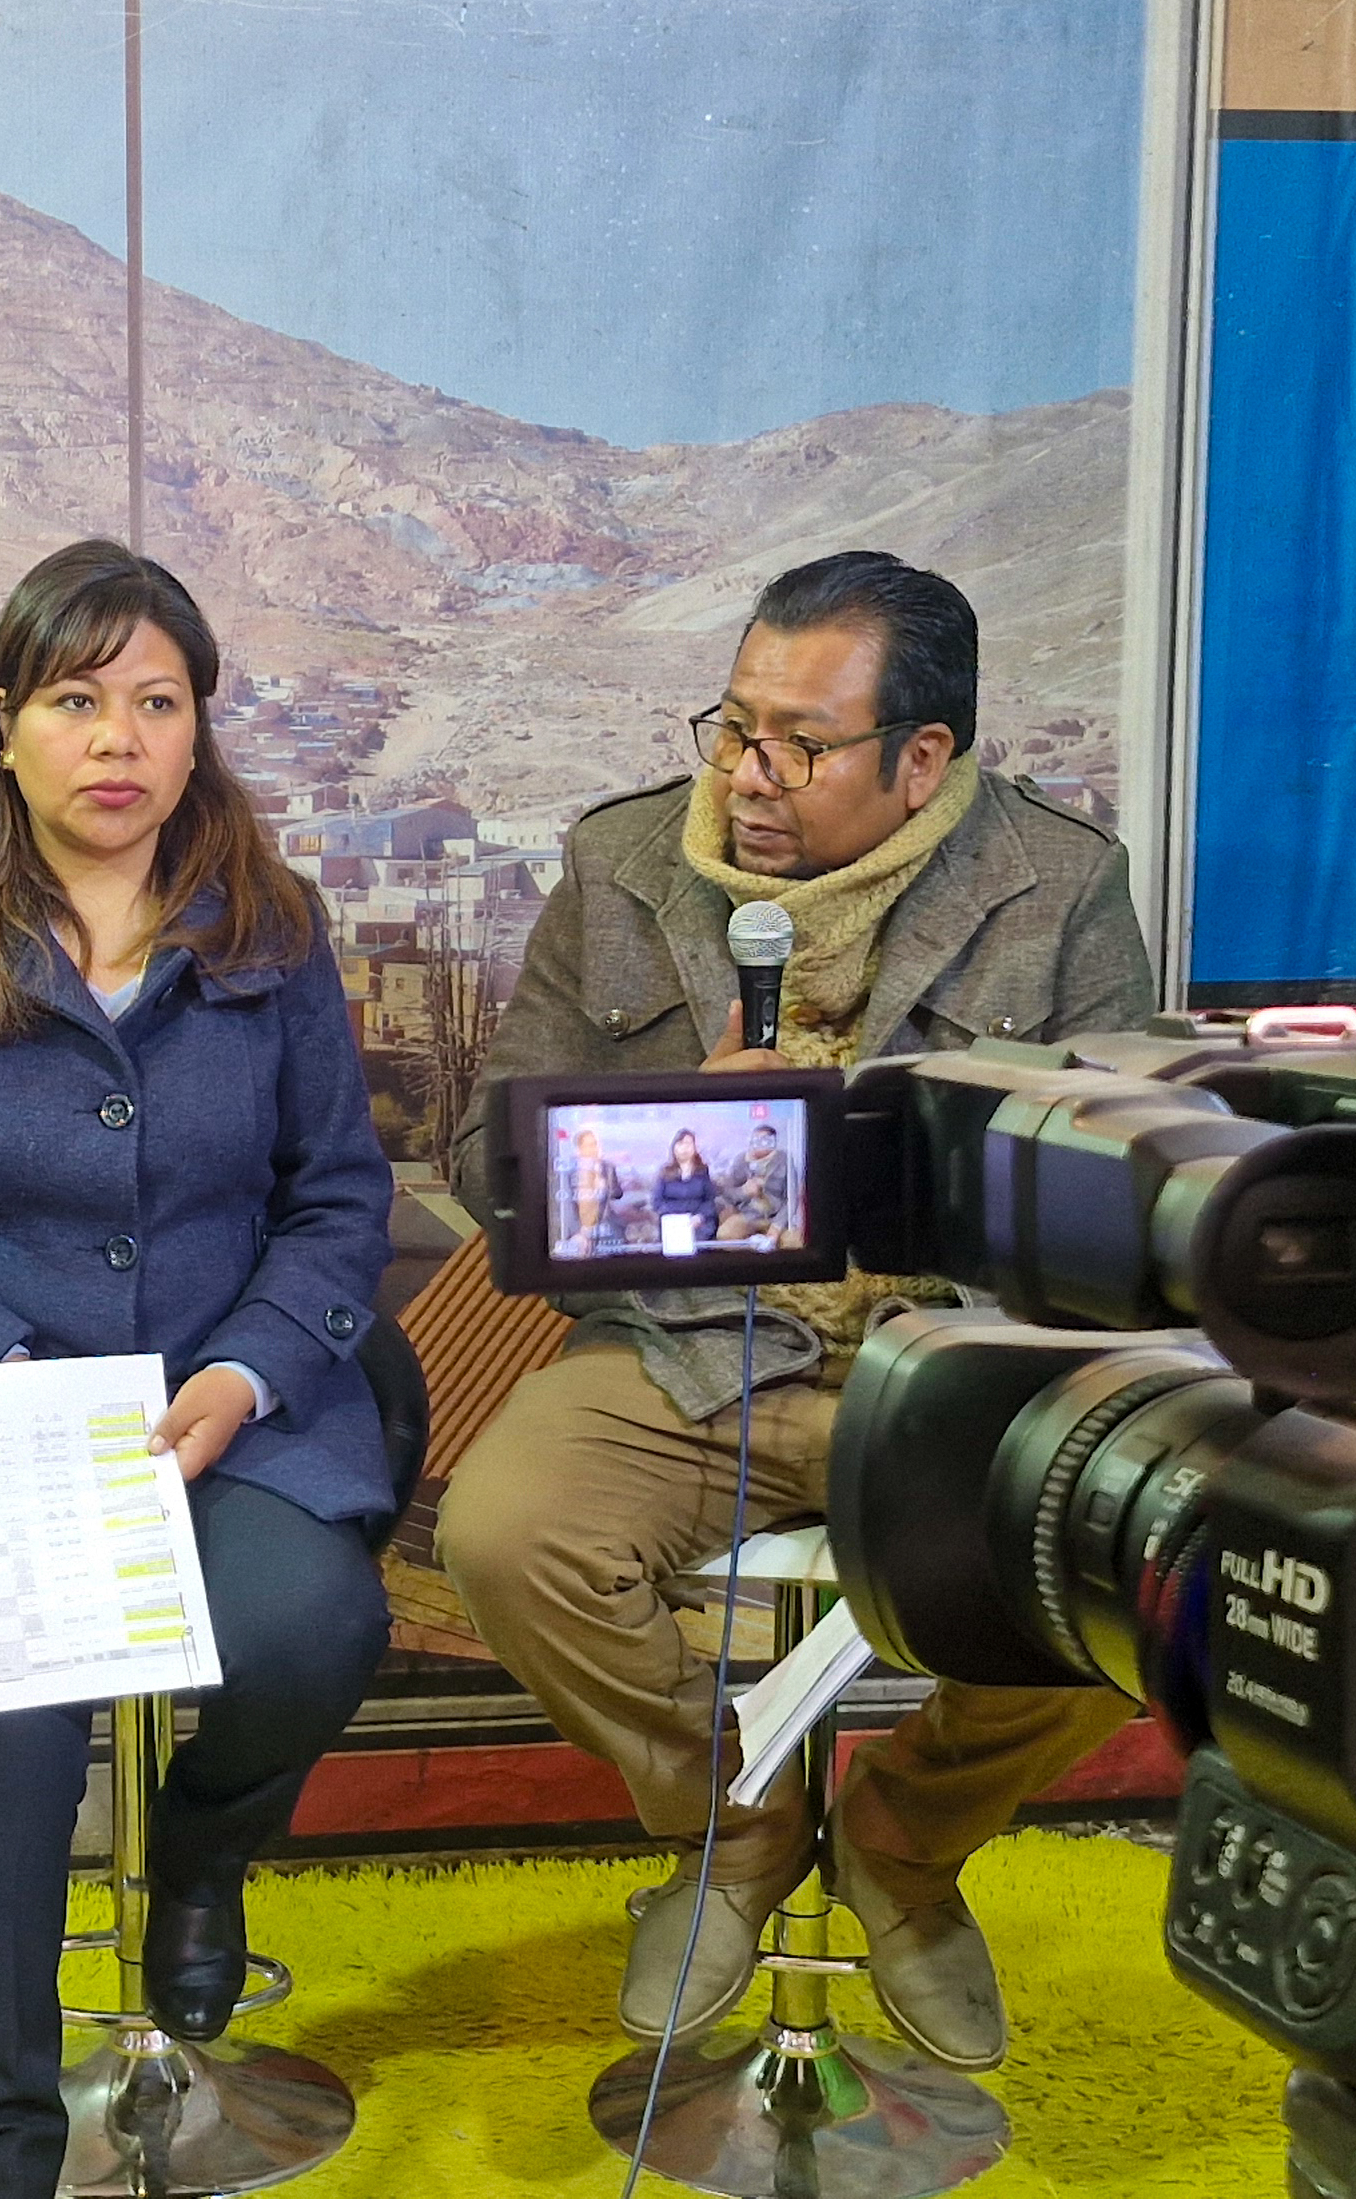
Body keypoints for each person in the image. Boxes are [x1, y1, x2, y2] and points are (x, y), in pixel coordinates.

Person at [438, 550, 1153, 2073]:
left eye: (800, 745)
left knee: (1153, 1554)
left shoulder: (1062, 884)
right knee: (505, 1534)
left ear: (922, 757)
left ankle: (904, 1840)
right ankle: (736, 1830)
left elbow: (1118, 1191)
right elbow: (487, 1160)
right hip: (689, 1350)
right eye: (735, 726)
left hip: (950, 1370)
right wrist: (665, 1145)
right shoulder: (623, 864)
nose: (748, 775)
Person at [0, 540, 396, 2199]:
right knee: (14, 1762)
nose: (118, 738)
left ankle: (197, 1854)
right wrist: (2, 1359)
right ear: (5, 722)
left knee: (316, 1627)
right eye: (75, 700)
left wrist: (248, 1374)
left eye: (157, 702)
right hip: (2, 1437)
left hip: (226, 1421)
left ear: (197, 731)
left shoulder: (272, 931)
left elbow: (338, 1200)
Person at [716, 1118, 801, 1248]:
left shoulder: (784, 1160)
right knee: (725, 1234)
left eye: (765, 1140)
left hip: (775, 1217)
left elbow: (792, 1199)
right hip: (748, 1216)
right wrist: (744, 1191)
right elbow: (728, 1194)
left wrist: (777, 1226)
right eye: (756, 1140)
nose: (760, 1144)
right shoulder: (741, 1160)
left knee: (794, 1242)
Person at [651, 1127, 720, 1251]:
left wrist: (699, 1217)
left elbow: (710, 1201)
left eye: (688, 1144)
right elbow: (657, 1202)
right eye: (680, 1144)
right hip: (672, 1223)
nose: (684, 1148)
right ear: (674, 1148)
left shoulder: (702, 1171)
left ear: (694, 1148)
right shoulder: (665, 1172)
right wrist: (676, 1219)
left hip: (698, 1222)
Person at [564, 1125, 620, 1254]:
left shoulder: (607, 1167)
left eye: (595, 1144)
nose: (593, 1149)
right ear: (579, 1149)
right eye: (588, 1145)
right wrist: (578, 1231)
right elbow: (567, 1205)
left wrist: (605, 1185)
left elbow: (618, 1193)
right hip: (578, 1227)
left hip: (605, 1224)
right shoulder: (570, 1170)